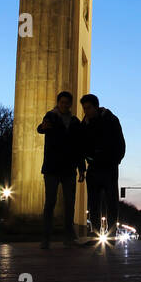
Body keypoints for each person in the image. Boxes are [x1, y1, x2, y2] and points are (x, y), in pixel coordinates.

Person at [37, 91, 84, 248]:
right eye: (62, 102)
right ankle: (46, 237)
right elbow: (41, 128)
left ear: (70, 104)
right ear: (58, 103)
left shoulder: (75, 122)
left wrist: (82, 169)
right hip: (52, 168)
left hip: (69, 169)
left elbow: (80, 148)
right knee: (50, 203)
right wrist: (42, 127)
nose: (64, 105)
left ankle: (68, 237)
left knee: (70, 204)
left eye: (67, 103)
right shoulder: (50, 116)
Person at [81, 94, 125, 238]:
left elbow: (120, 143)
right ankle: (95, 233)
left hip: (109, 168)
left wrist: (114, 161)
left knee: (111, 202)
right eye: (84, 108)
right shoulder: (84, 124)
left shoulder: (111, 120)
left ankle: (112, 234)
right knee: (93, 203)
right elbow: (81, 146)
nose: (85, 111)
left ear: (96, 107)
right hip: (93, 168)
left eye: (88, 108)